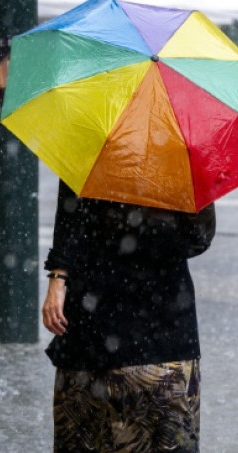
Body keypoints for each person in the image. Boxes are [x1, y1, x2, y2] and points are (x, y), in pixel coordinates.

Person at [41, 180, 216, 452]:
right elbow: (199, 239)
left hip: (99, 318)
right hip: (158, 325)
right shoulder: (183, 158)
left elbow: (70, 220)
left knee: (88, 433)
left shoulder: (94, 144)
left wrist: (58, 278)